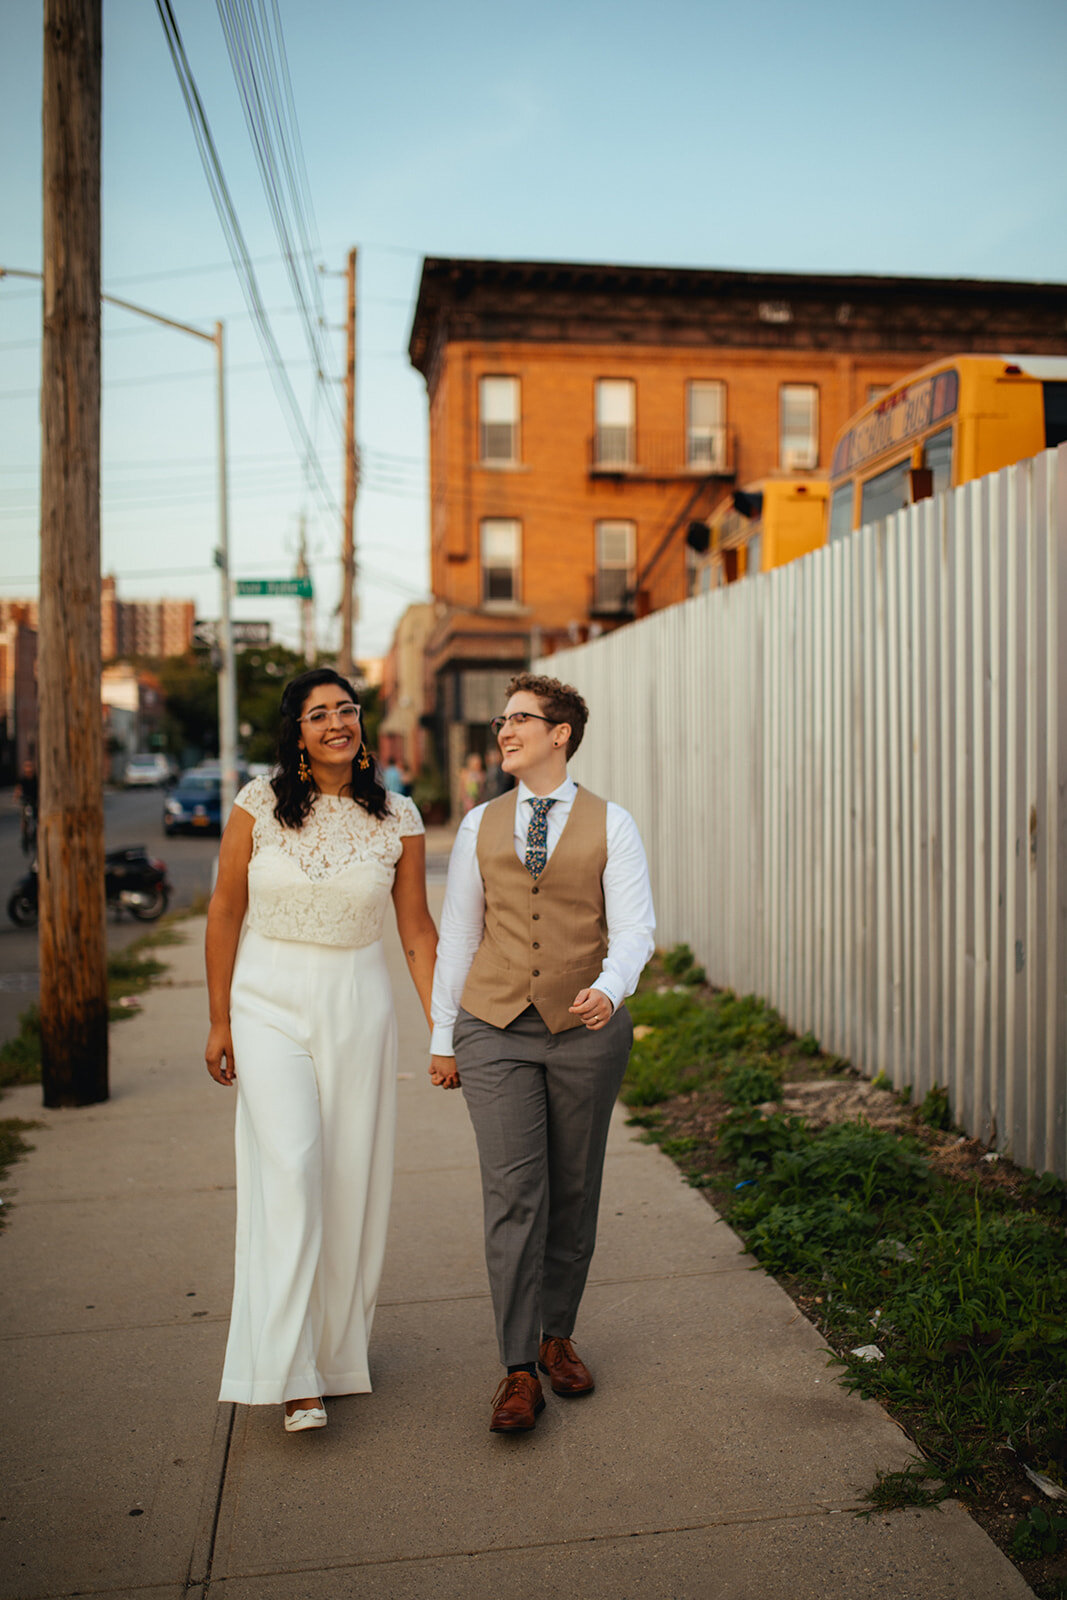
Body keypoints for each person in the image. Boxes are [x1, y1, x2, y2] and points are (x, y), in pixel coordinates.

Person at [205, 667, 437, 1433]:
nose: (336, 722)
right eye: (318, 714)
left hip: (357, 1006)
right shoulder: (256, 806)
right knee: (293, 1169)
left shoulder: (398, 817)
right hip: (267, 1000)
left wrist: (444, 1028)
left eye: (346, 709)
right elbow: (225, 909)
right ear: (296, 732)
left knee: (345, 1180)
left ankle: (335, 1358)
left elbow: (416, 933)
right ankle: (292, 1373)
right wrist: (217, 1020)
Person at [429, 672, 655, 1433]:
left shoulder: (611, 823)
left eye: (520, 719)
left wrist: (612, 986)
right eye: (501, 720)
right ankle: (517, 1369)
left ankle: (558, 1336)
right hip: (493, 1028)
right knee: (514, 1194)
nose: (504, 730)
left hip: (582, 1030)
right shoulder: (477, 824)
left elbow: (633, 930)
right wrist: (441, 1035)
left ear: (560, 734)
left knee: (572, 1190)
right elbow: (459, 935)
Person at [460, 750, 484, 814]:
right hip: (469, 799)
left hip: (478, 799)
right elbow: (462, 787)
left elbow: (482, 787)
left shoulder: (481, 774)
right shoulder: (465, 773)